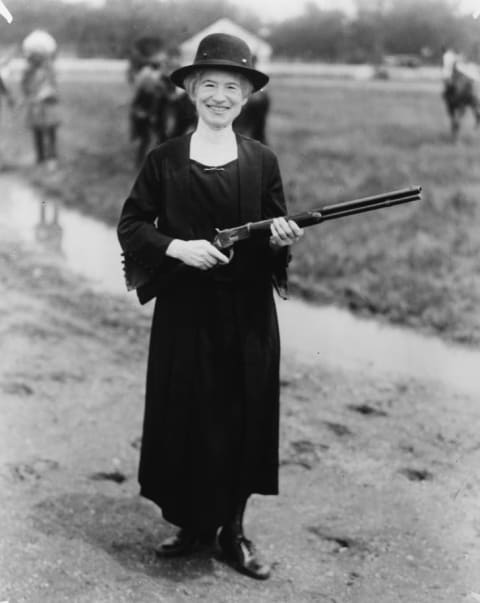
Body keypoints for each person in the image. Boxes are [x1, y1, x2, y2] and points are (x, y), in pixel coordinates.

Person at [117, 33, 303, 580]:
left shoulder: (262, 161)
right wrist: (176, 247)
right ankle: (193, 525)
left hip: (246, 317)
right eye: (210, 85)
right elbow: (132, 226)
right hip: (183, 314)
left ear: (247, 99)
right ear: (191, 92)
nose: (220, 96)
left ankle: (232, 532)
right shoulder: (165, 160)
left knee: (240, 416)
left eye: (232, 87)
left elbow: (274, 231)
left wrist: (281, 238)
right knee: (186, 415)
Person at [20, 30, 60, 170]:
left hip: (48, 104)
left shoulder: (49, 69)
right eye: (34, 56)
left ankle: (52, 157)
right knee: (37, 130)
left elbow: (53, 86)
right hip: (36, 105)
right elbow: (24, 86)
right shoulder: (28, 71)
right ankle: (40, 157)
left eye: (39, 56)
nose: (36, 59)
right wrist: (30, 96)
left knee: (50, 130)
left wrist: (47, 93)